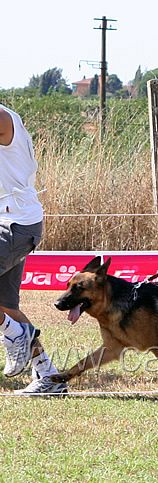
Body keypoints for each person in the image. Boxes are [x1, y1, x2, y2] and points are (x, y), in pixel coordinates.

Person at [0, 104, 67, 394]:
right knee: (7, 308)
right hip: (16, 221)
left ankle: (16, 335)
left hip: (11, 223)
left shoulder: (2, 117)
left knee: (12, 324)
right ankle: (48, 378)